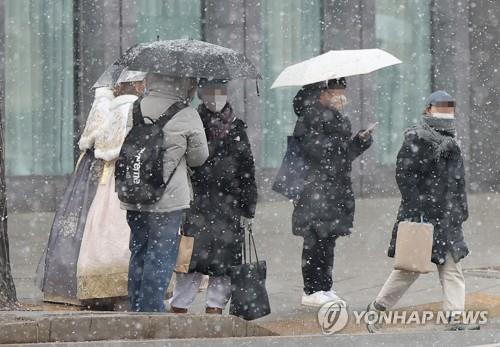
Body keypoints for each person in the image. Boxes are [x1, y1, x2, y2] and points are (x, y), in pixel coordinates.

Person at [366, 91, 478, 332]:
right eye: (439, 109)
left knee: (452, 267)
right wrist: (419, 210)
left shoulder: (452, 143)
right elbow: (405, 177)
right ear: (428, 110)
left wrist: (460, 211)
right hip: (423, 217)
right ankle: (377, 309)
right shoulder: (416, 139)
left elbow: (458, 182)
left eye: (448, 110)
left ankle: (454, 317)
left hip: (448, 219)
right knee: (409, 269)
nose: (445, 115)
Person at [37, 71, 146, 307]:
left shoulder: (106, 103)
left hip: (97, 175)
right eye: (142, 82)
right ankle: (120, 288)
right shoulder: (127, 106)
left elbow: (93, 139)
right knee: (115, 230)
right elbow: (113, 144)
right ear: (135, 84)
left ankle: (101, 288)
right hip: (117, 175)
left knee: (94, 227)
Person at [120, 73, 209, 313]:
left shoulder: (136, 107)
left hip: (135, 193)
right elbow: (199, 158)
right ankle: (151, 310)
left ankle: (136, 305)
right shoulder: (187, 112)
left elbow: (128, 145)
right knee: (161, 253)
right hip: (167, 197)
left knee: (139, 249)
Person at [169, 79, 257, 314]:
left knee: (224, 262)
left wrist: (248, 205)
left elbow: (247, 169)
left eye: (220, 91)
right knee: (191, 260)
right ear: (201, 94)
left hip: (229, 205)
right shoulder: (192, 122)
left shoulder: (237, 127)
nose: (216, 97)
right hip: (197, 202)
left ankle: (215, 309)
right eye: (210, 92)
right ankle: (179, 306)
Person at [292, 78, 373, 307]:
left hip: (335, 189)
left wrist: (359, 141)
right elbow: (315, 152)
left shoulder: (337, 118)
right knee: (314, 240)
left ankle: (325, 287)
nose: (342, 96)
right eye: (338, 92)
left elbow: (342, 157)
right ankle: (311, 290)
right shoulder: (309, 117)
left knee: (328, 239)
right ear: (324, 93)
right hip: (315, 188)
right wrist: (339, 146)